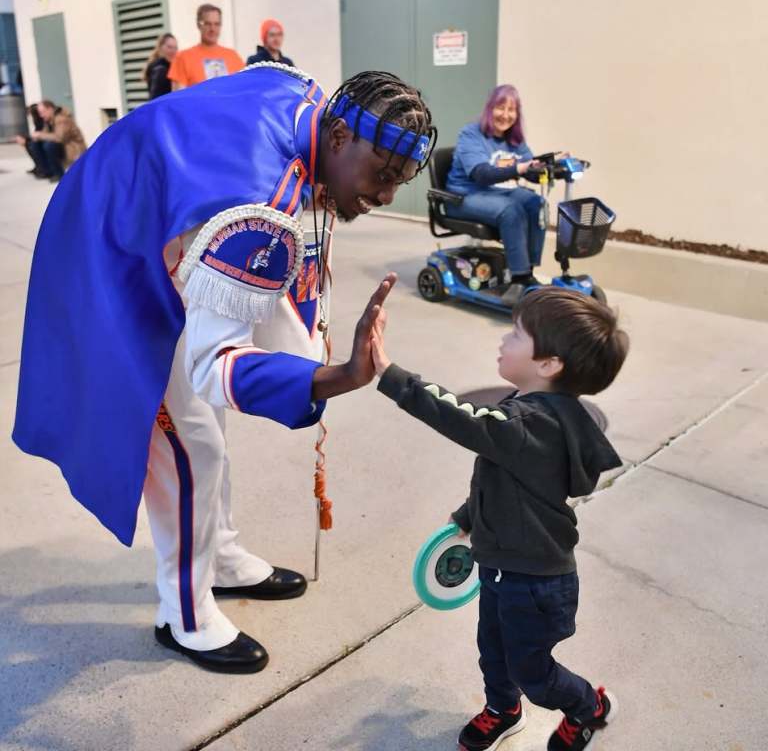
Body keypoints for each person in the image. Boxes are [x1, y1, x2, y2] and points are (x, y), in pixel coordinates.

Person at [14, 65, 435, 674]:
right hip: (110, 257)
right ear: (340, 138)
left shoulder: (312, 103)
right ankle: (183, 614)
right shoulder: (257, 203)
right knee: (191, 446)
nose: (388, 195)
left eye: (399, 179)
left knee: (204, 427)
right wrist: (340, 376)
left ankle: (222, 557)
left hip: (139, 210)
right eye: (382, 174)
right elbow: (217, 367)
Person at [370, 287, 629, 751]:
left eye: (516, 335)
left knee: (534, 674)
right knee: (493, 653)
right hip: (500, 567)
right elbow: (510, 479)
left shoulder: (531, 424)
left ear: (548, 364)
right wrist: (469, 516)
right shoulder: (533, 412)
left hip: (534, 582)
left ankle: (588, 705)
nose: (503, 341)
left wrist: (390, 375)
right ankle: (503, 709)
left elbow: (464, 419)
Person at [445, 84, 552, 288]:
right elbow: (482, 174)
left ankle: (528, 270)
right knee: (511, 210)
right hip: (462, 196)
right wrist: (520, 168)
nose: (505, 115)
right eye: (500, 107)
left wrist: (551, 166)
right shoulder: (471, 134)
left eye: (511, 110)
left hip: (491, 193)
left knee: (536, 203)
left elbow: (530, 169)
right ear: (490, 108)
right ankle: (519, 279)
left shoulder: (514, 140)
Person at [168, 4, 244, 89]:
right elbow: (179, 95)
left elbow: (244, 89)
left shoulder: (233, 56)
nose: (212, 29)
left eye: (217, 24)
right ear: (198, 25)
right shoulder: (182, 58)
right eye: (207, 24)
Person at [24, 100, 86, 182]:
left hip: (73, 149)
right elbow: (45, 134)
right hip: (63, 147)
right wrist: (37, 137)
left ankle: (59, 174)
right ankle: (47, 171)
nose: (41, 115)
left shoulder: (61, 119)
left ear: (50, 109)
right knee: (34, 144)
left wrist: (40, 135)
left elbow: (59, 138)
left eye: (42, 112)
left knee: (49, 145)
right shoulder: (50, 120)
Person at [13, 103, 49, 177]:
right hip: (41, 137)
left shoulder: (41, 118)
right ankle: (37, 165)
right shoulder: (36, 119)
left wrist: (30, 138)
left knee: (32, 144)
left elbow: (42, 132)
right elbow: (37, 131)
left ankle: (42, 168)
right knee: (26, 142)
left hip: (45, 138)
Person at [144, 32, 178, 99]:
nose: (173, 51)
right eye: (169, 47)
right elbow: (155, 98)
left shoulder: (167, 66)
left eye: (175, 48)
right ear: (160, 47)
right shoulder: (160, 70)